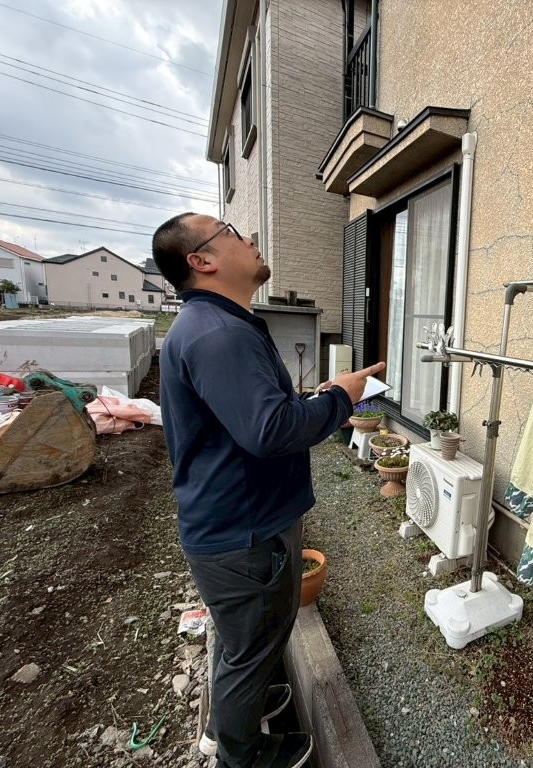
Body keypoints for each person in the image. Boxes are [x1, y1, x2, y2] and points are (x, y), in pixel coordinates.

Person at [152, 213, 385, 768]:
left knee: (242, 647)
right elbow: (269, 431)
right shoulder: (220, 334)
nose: (249, 238)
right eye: (230, 231)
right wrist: (342, 399)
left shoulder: (215, 326)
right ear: (201, 261)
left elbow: (254, 417)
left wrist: (318, 402)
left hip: (233, 522)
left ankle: (231, 721)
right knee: (251, 650)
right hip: (246, 531)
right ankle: (244, 754)